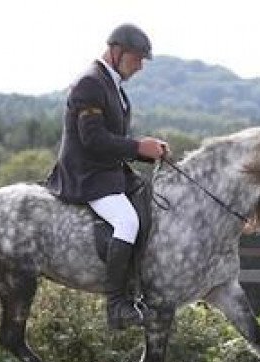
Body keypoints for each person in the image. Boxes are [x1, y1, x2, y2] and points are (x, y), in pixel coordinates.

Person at [46, 23, 168, 330]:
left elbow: (112, 140)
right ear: (116, 52)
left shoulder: (112, 86)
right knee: (127, 221)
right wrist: (139, 146)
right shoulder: (90, 84)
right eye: (136, 59)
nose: (139, 66)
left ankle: (138, 287)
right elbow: (93, 140)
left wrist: (145, 152)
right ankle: (116, 305)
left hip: (108, 172)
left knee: (150, 206)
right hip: (85, 175)